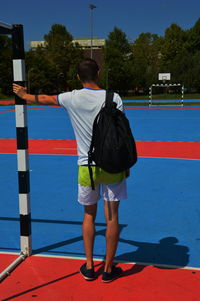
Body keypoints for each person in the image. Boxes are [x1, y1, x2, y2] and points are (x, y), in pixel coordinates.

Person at [13, 58, 128, 283]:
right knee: (112, 217)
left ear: (78, 77)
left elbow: (45, 99)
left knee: (88, 215)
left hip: (86, 166)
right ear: (98, 73)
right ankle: (107, 269)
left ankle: (89, 266)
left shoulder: (71, 98)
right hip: (113, 165)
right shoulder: (114, 98)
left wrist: (25, 95)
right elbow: (121, 133)